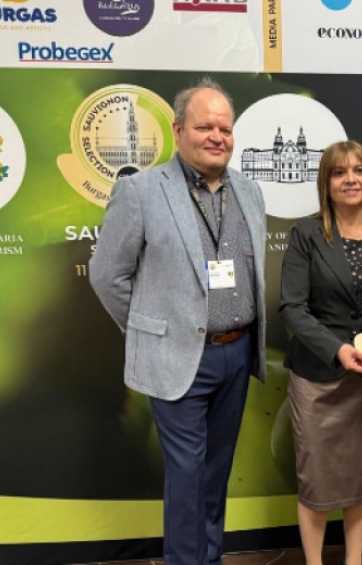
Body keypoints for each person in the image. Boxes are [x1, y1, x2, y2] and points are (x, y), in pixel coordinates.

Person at [89, 77, 267, 565]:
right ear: (178, 130)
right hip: (178, 359)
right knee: (187, 479)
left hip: (237, 354)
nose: (217, 137)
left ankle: (209, 558)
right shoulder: (142, 191)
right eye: (205, 126)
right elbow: (107, 275)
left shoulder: (248, 191)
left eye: (225, 128)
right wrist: (153, 332)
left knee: (215, 473)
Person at [279, 140, 362, 565]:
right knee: (316, 482)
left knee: (359, 478)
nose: (351, 180)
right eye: (339, 172)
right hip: (317, 379)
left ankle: (353, 561)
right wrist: (337, 349)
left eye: (359, 171)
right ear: (326, 183)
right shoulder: (306, 235)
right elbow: (292, 308)